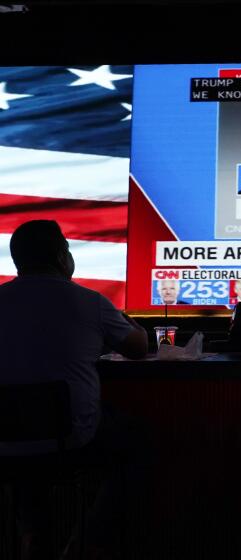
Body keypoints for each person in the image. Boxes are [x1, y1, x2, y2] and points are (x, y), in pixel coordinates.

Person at [0, 220, 151, 559]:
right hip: (72, 440)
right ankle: (88, 540)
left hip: (5, 439)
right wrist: (133, 324)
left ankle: (33, 536)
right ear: (59, 256)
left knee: (24, 446)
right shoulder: (90, 302)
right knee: (136, 442)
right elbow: (139, 348)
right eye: (68, 249)